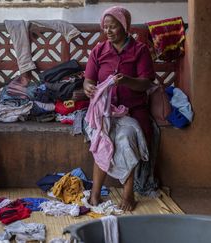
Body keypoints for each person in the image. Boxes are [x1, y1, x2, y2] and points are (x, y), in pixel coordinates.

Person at [83, 6, 155, 211]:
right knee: (102, 137)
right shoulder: (98, 50)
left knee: (125, 137)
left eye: (113, 27)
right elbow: (88, 80)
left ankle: (128, 194)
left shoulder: (139, 50)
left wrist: (127, 81)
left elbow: (145, 83)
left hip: (133, 110)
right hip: (105, 111)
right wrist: (89, 88)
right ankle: (95, 195)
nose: (108, 31)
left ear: (125, 26)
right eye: (105, 27)